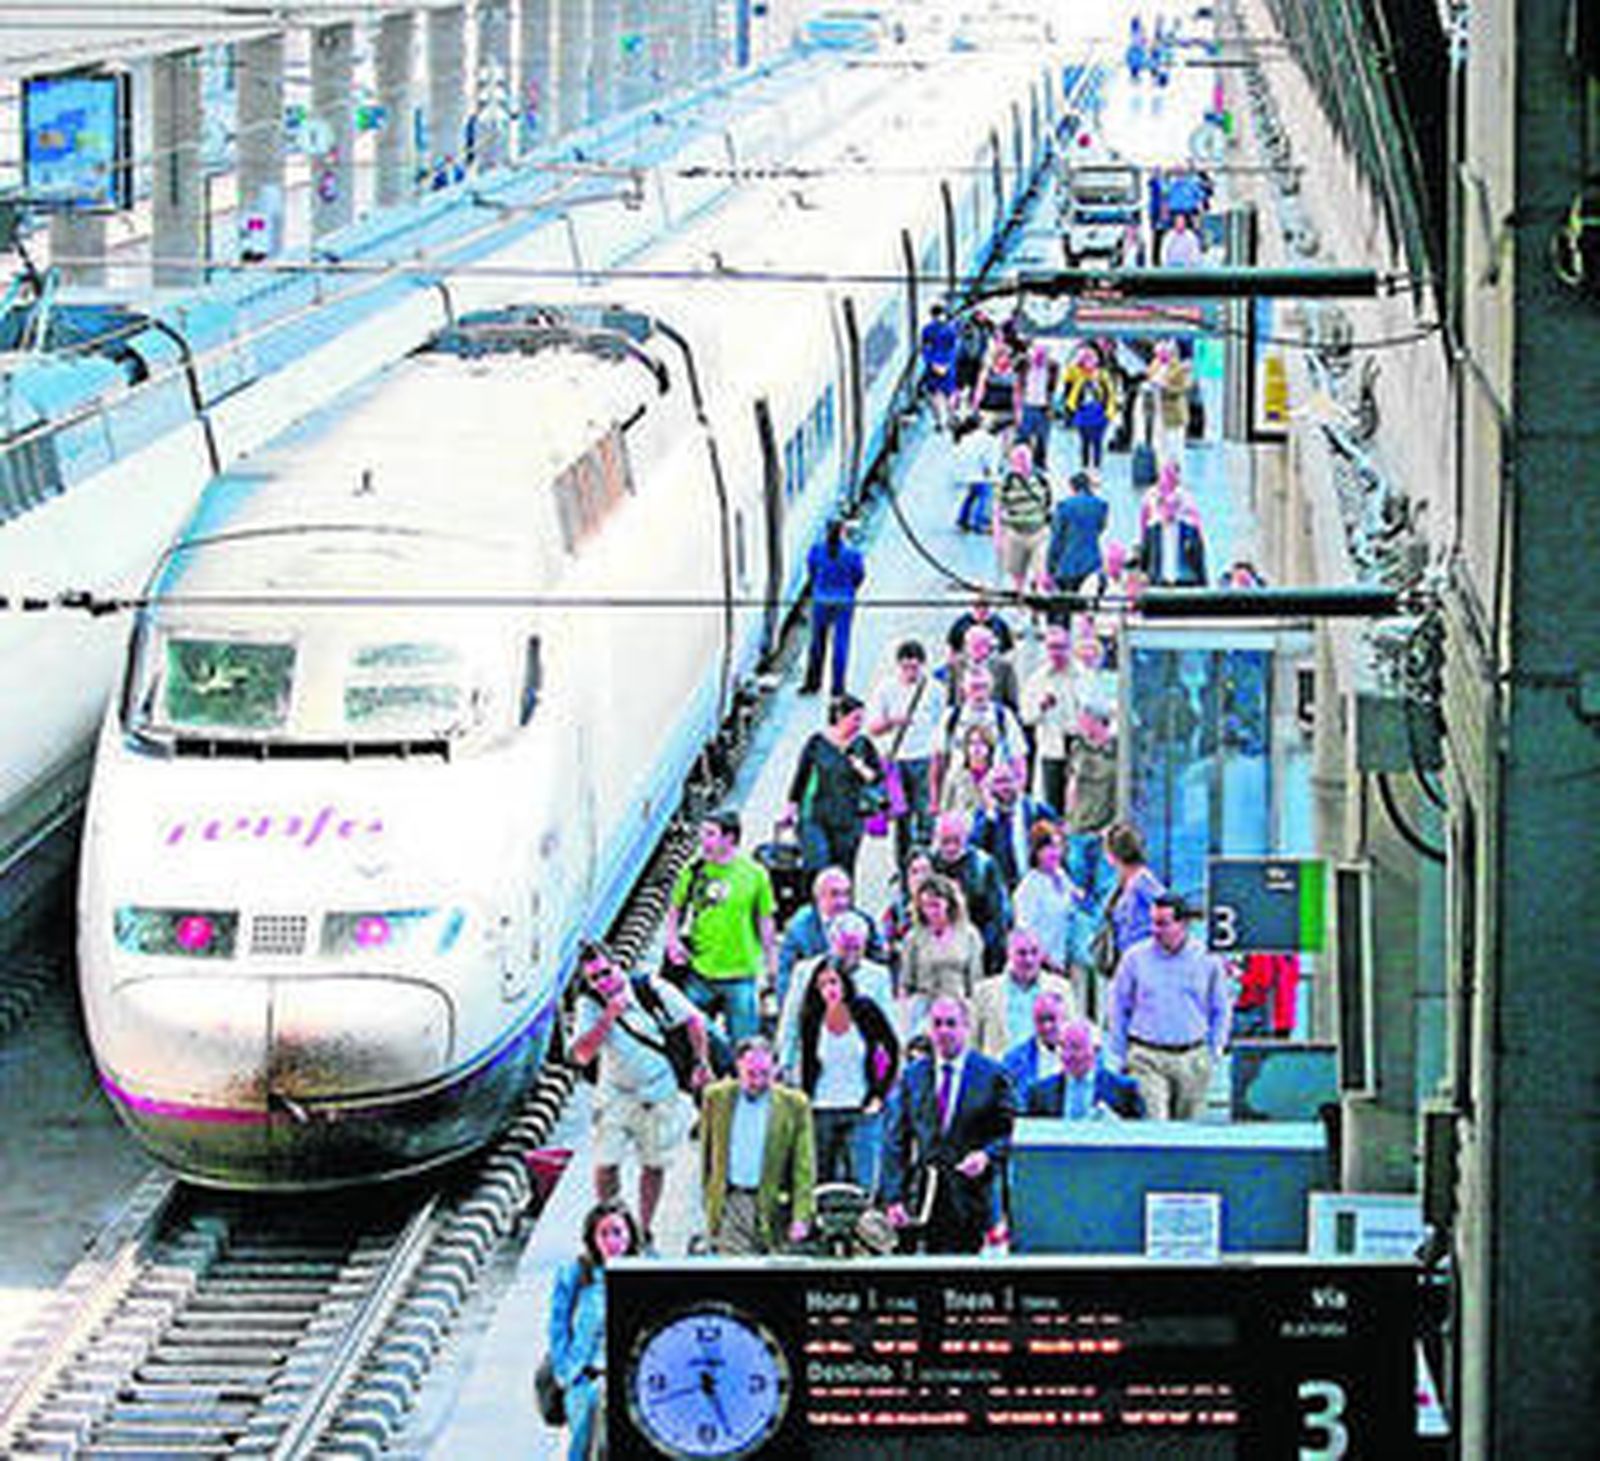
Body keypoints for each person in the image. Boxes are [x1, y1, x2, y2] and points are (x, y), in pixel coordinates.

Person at [568, 940, 711, 1243]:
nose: (603, 982)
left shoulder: (650, 988)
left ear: (617, 966)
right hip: (615, 1092)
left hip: (658, 1089)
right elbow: (581, 1055)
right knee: (606, 1162)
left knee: (653, 1163)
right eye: (594, 978)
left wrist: (701, 1063)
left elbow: (694, 1020)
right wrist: (608, 1016)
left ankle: (644, 1229)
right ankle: (611, 1221)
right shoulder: (589, 1005)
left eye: (606, 973)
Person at [881, 996, 1016, 1253]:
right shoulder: (913, 1076)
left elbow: (1011, 1134)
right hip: (924, 1200)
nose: (944, 1031)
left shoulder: (992, 1075)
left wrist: (986, 1156)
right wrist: (893, 1197)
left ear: (966, 1027)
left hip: (973, 1201)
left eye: (951, 1024)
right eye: (937, 1024)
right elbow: (896, 1140)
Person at [1106, 895, 1233, 1119]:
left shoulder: (1207, 959)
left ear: (1183, 924)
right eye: (1154, 923)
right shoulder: (1135, 958)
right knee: (1156, 1123)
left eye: (1163, 924)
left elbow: (1220, 1008)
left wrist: (1214, 1051)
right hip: (1147, 1056)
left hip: (1192, 1057)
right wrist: (1121, 1052)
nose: (1155, 930)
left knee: (1189, 1129)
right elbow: (1118, 1006)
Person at [664, 811, 778, 1046]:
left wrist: (771, 963)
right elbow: (675, 908)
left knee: (744, 1043)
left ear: (730, 838)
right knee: (691, 1042)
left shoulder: (755, 875)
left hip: (741, 974)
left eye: (710, 834)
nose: (703, 841)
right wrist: (672, 941)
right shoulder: (693, 871)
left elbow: (765, 921)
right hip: (700, 971)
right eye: (702, 834)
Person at [700, 1036, 817, 1254]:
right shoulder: (716, 1098)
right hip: (732, 1203)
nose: (758, 1081)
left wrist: (801, 1215)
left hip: (774, 1205)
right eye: (751, 1074)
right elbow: (707, 1155)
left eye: (765, 1074)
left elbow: (804, 1167)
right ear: (738, 1067)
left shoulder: (795, 1105)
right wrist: (710, 1202)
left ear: (775, 1070)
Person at [547, 1200, 643, 1459]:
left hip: (628, 1380)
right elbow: (558, 1327)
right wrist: (565, 1372)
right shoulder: (575, 1274)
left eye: (618, 1232)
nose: (612, 1241)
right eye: (604, 1233)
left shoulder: (644, 1272)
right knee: (584, 1441)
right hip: (585, 1377)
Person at [794, 961, 900, 1191]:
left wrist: (879, 1094)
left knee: (863, 1181)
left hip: (860, 1108)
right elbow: (807, 1064)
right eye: (822, 985)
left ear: (844, 983)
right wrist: (806, 1100)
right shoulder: (812, 1019)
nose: (830, 990)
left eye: (833, 982)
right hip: (822, 1108)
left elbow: (891, 1047)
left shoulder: (865, 1011)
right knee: (822, 1182)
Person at [778, 909, 895, 1073]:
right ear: (832, 942)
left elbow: (888, 1023)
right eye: (845, 947)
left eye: (856, 948)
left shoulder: (879, 976)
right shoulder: (805, 972)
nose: (851, 955)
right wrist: (785, 1062)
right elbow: (791, 1019)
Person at [785, 693, 883, 878]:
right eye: (855, 719)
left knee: (843, 868)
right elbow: (802, 775)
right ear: (840, 716)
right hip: (817, 813)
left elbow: (877, 778)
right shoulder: (817, 742)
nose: (859, 725)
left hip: (849, 817)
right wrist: (791, 806)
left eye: (861, 719)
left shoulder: (863, 745)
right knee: (817, 863)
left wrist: (861, 768)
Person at [866, 638, 944, 867]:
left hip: (925, 757)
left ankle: (926, 864)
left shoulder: (935, 689)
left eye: (915, 667)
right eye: (906, 667)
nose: (911, 672)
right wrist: (892, 721)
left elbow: (942, 725)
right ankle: (904, 866)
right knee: (901, 818)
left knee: (926, 815)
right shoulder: (885, 689)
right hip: (897, 761)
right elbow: (873, 728)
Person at [775, 866, 884, 1009]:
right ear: (818, 897)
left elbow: (878, 962)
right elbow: (785, 974)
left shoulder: (863, 922)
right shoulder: (799, 927)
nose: (842, 902)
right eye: (834, 894)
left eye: (846, 894)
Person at [898, 871, 986, 1034]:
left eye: (936, 905)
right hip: (925, 1009)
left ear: (949, 904)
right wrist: (905, 1018)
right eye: (926, 906)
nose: (932, 911)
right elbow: (905, 982)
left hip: (958, 1006)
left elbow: (976, 981)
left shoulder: (969, 935)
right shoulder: (913, 938)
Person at [971, 926, 1076, 1058]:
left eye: (1034, 952)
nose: (1029, 960)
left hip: (1046, 1066)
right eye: (1022, 953)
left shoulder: (1061, 989)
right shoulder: (985, 991)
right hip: (1000, 1066)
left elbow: (1071, 1036)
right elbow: (972, 1043)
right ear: (1009, 954)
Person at [930, 810, 1013, 975]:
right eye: (945, 841)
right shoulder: (930, 865)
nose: (951, 847)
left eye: (956, 840)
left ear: (966, 837)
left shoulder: (983, 865)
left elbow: (998, 916)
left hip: (976, 950)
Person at [937, 665, 1028, 800]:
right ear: (964, 689)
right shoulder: (952, 716)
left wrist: (1018, 792)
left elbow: (1018, 760)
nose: (979, 693)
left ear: (991, 688)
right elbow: (938, 759)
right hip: (959, 788)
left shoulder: (1003, 716)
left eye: (983, 687)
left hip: (996, 789)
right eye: (974, 687)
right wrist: (935, 799)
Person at [1025, 1017, 1145, 1118]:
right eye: (1063, 1047)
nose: (1068, 1055)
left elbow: (1140, 1133)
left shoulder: (1124, 1091)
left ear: (1095, 1050)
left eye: (1076, 1048)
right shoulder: (1040, 1093)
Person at [967, 760, 1057, 891]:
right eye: (998, 782)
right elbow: (976, 847)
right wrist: (990, 816)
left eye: (1007, 781)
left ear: (1017, 782)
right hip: (1004, 886)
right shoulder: (984, 815)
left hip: (1036, 882)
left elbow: (1057, 833)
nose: (1004, 787)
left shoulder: (1034, 808)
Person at [1021, 622, 1081, 812]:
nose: (1057, 652)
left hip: (1080, 745)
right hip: (1052, 747)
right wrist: (1041, 706)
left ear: (1069, 647)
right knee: (1053, 803)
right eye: (1052, 647)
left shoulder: (1082, 675)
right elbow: (1026, 717)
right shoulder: (1037, 680)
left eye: (1061, 647)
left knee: (1079, 802)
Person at [802, 518, 865, 696]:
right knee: (840, 644)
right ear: (843, 532)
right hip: (844, 602)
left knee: (816, 643)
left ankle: (812, 683)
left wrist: (820, 588)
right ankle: (837, 687)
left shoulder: (816, 550)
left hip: (820, 601)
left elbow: (811, 571)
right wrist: (848, 589)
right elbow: (859, 576)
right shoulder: (853, 554)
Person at [1013, 822, 1080, 977]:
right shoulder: (1029, 887)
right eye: (1048, 848)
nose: (1055, 853)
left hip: (1064, 961)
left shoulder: (1062, 876)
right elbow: (1025, 931)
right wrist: (1048, 961)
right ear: (1036, 852)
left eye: (1057, 847)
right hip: (1042, 967)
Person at [993, 440, 1053, 598]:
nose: (1022, 462)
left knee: (1041, 570)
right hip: (1015, 534)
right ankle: (1021, 597)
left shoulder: (1041, 479)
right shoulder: (1006, 482)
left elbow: (1048, 503)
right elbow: (997, 509)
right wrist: (998, 535)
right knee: (1017, 573)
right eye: (1019, 459)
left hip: (1039, 532)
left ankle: (1038, 593)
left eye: (1024, 458)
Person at [1045, 469, 1109, 599]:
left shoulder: (1064, 507)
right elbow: (1100, 529)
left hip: (1068, 566)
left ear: (1072, 487)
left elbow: (1057, 538)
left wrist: (1050, 566)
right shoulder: (1101, 506)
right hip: (1092, 563)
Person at [1063, 345, 1117, 469]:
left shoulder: (1102, 376)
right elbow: (1071, 385)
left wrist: (1109, 412)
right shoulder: (1079, 376)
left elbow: (1110, 394)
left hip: (1099, 415)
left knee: (1097, 443)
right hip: (1084, 416)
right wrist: (1072, 409)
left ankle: (1096, 468)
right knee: (1085, 443)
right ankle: (1085, 467)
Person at [1140, 489, 1209, 586]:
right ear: (1159, 507)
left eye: (1173, 505)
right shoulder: (1152, 531)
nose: (1169, 509)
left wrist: (1203, 586)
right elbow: (1145, 561)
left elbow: (1199, 562)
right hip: (1158, 583)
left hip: (1185, 584)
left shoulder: (1190, 531)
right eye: (1165, 505)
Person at [1146, 339, 1194, 468]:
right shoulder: (1156, 364)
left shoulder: (1179, 368)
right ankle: (1162, 469)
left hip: (1174, 415)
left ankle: (1174, 470)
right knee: (1160, 443)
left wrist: (1165, 387)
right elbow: (1149, 376)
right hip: (1159, 412)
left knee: (1175, 446)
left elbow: (1184, 387)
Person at [1016, 340, 1059, 467]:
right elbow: (1018, 382)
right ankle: (1021, 462)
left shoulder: (1052, 367)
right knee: (1024, 436)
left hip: (1043, 407)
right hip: (1028, 404)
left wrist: (1050, 407)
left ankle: (1040, 463)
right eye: (1036, 351)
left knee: (1042, 437)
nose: (1039, 355)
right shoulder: (1024, 365)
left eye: (1043, 351)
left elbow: (1052, 388)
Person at [919, 301, 960, 430]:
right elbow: (954, 349)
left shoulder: (927, 330)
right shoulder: (950, 329)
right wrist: (945, 364)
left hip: (934, 367)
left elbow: (925, 349)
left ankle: (939, 421)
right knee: (948, 393)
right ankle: (950, 417)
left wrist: (933, 363)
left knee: (935, 393)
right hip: (947, 367)